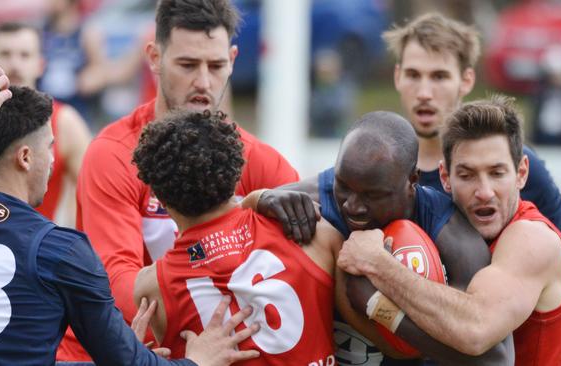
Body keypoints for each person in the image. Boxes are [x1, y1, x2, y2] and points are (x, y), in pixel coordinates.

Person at [0, 85, 259, 365]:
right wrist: (198, 361)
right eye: (50, 147)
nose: (54, 160)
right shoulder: (59, 248)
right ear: (25, 157)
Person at [60, 0, 300, 361]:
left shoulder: (262, 162)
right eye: (187, 65)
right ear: (154, 57)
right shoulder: (113, 154)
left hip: (216, 345)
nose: (203, 82)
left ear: (233, 60)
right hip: (115, 352)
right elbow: (119, 291)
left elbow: (299, 273)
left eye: (216, 66)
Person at [383, 13, 561, 343]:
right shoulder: (382, 168)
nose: (424, 91)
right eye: (413, 75)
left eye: (439, 76)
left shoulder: (514, 166)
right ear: (397, 77)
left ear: (466, 80)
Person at [250, 111, 513, 365]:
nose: (352, 206)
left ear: (412, 180)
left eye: (372, 195)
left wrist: (378, 305)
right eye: (343, 186)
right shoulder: (309, 202)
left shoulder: (447, 229)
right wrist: (258, 200)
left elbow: (495, 360)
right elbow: (221, 225)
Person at [131, 109, 391, 365]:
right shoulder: (316, 234)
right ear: (235, 174)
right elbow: (389, 340)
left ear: (159, 197)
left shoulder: (151, 288)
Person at [338, 96, 561, 365]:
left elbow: (476, 329)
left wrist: (378, 267)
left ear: (521, 173)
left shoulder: (532, 240)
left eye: (497, 173)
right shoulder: (444, 229)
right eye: (467, 175)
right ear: (445, 177)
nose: (484, 192)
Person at [0, 22, 91, 227]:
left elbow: (95, 194)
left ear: (40, 64)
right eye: (5, 54)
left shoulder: (64, 123)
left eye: (25, 55)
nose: (15, 65)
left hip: (38, 252)